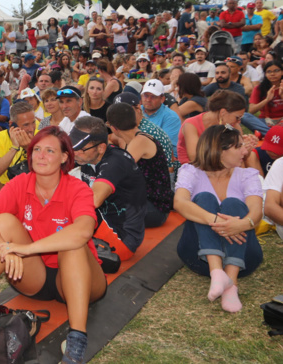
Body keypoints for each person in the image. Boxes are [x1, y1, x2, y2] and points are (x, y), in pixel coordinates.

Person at [0, 126, 104, 363]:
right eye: (37, 149)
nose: (41, 156)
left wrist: (25, 249)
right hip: (34, 276)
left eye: (50, 151)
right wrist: (5, 249)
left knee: (72, 244)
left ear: (64, 157)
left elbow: (83, 231)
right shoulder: (21, 183)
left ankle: (77, 337)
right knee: (2, 222)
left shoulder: (77, 188)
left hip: (81, 279)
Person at [174, 125, 262, 313]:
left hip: (244, 258)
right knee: (204, 198)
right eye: (238, 146)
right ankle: (216, 272)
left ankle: (231, 283)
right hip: (199, 257)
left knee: (233, 203)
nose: (245, 151)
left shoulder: (247, 175)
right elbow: (179, 203)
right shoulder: (191, 171)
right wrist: (217, 221)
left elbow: (256, 210)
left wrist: (242, 224)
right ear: (220, 151)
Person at [72, 117, 147, 260]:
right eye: (72, 146)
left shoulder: (116, 162)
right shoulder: (87, 156)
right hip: (103, 226)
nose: (75, 153)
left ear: (101, 148)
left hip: (121, 240)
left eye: (80, 149)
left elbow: (94, 201)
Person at [106, 103, 173, 228]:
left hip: (155, 210)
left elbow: (118, 172)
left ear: (113, 128)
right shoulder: (135, 138)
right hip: (150, 204)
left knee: (103, 209)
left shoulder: (140, 141)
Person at [0, 101, 38, 205]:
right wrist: (14, 148)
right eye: (26, 125)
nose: (31, 128)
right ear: (12, 125)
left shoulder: (40, 135)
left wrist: (29, 148)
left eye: (33, 122)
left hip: (33, 189)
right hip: (7, 188)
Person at [178, 90, 246, 165]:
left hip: (222, 166)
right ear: (223, 112)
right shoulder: (191, 125)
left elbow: (240, 157)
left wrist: (245, 147)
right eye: (237, 117)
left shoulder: (232, 125)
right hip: (194, 167)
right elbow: (195, 157)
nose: (238, 121)